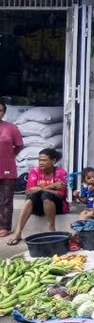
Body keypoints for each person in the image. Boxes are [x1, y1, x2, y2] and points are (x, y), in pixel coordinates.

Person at [8, 148, 68, 245]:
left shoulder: (60, 172)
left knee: (46, 195)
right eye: (39, 160)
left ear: (53, 161)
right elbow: (29, 191)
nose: (40, 163)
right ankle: (18, 233)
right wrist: (52, 186)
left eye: (44, 160)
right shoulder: (35, 171)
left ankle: (51, 229)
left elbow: (61, 194)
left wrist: (41, 188)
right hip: (39, 207)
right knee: (30, 199)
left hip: (57, 206)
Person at [0, 100, 23, 238]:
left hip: (7, 168)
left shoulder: (11, 128)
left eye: (0, 110)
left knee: (6, 199)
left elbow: (19, 145)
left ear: (4, 112)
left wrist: (9, 155)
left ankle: (5, 226)